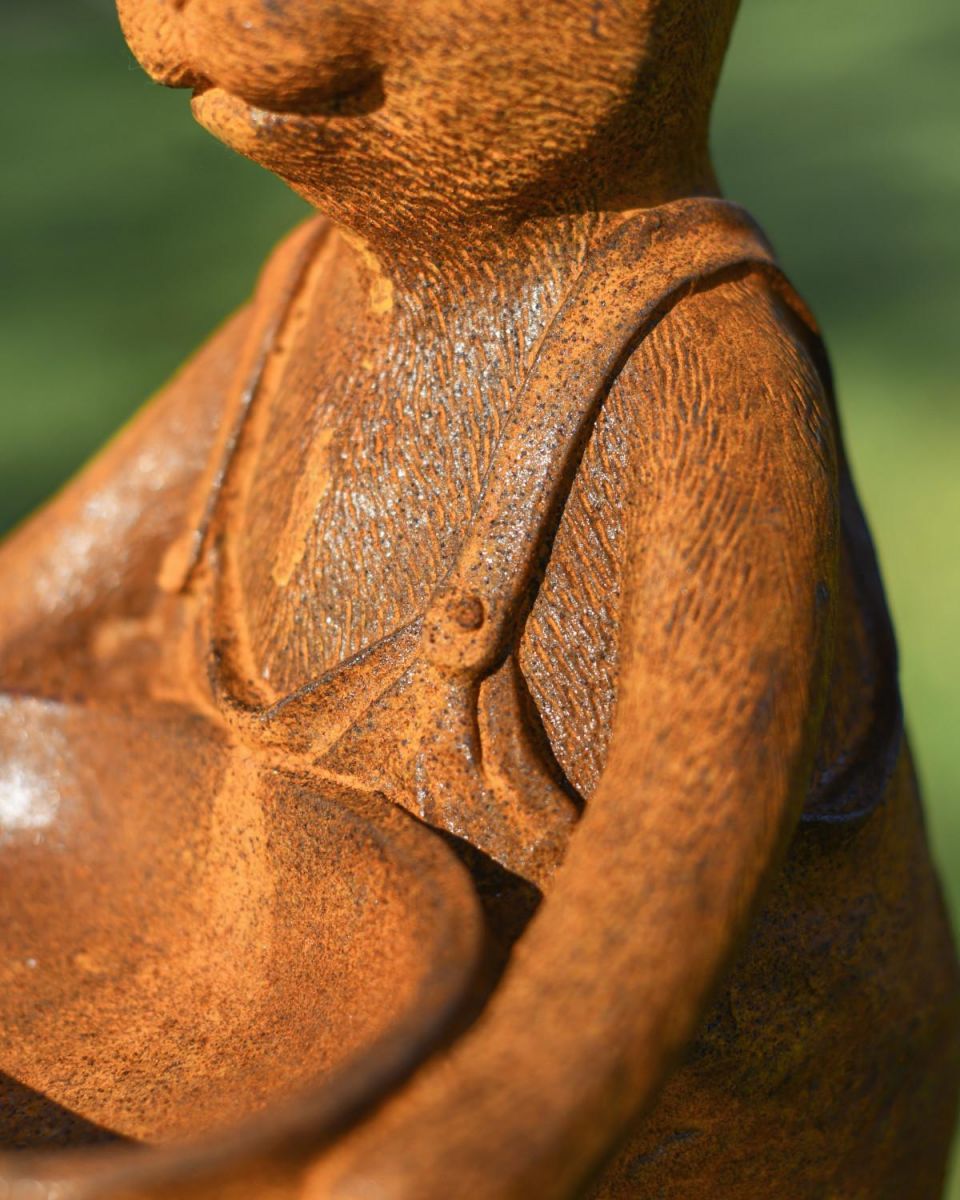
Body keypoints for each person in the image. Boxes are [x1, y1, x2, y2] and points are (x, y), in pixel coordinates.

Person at [1, 1, 957, 1195]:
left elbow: (681, 849)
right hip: (256, 1026)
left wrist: (494, 1128)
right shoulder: (313, 290)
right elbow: (51, 606)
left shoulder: (707, 372)